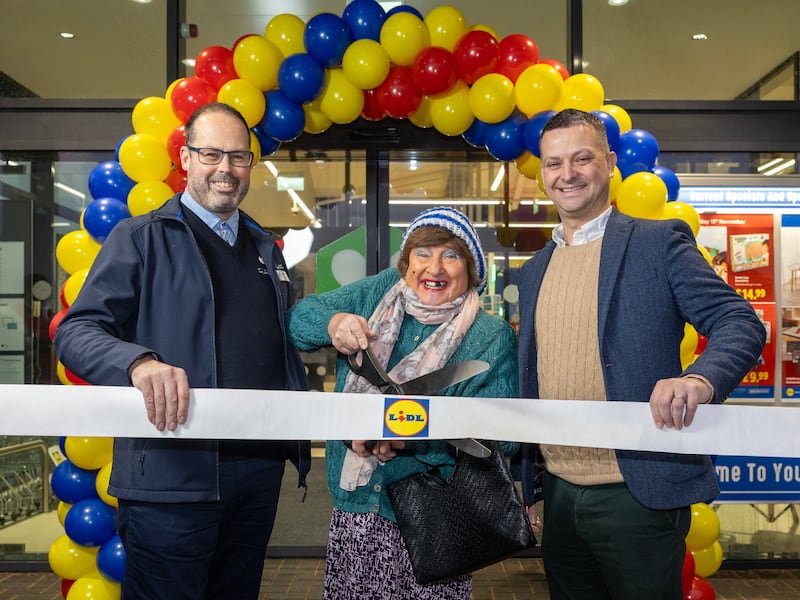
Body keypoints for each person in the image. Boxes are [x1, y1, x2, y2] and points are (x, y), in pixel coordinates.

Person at [54, 102, 310, 600]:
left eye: (238, 157)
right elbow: (77, 331)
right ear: (186, 159)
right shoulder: (141, 237)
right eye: (211, 154)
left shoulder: (265, 248)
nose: (225, 169)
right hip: (171, 475)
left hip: (256, 475)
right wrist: (137, 362)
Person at [517, 109, 766, 600]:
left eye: (582, 158)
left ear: (610, 163)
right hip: (560, 493)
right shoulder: (534, 269)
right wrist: (532, 486)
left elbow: (740, 322)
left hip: (638, 493)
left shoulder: (657, 243)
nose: (566, 174)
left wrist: (699, 381)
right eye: (553, 163)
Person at [287, 206, 519, 599]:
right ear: (407, 261)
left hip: (436, 517)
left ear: (471, 268)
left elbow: (501, 437)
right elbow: (299, 319)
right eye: (424, 253)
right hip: (357, 511)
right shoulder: (377, 293)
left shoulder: (489, 336)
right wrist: (333, 324)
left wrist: (406, 439)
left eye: (452, 255)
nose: (435, 267)